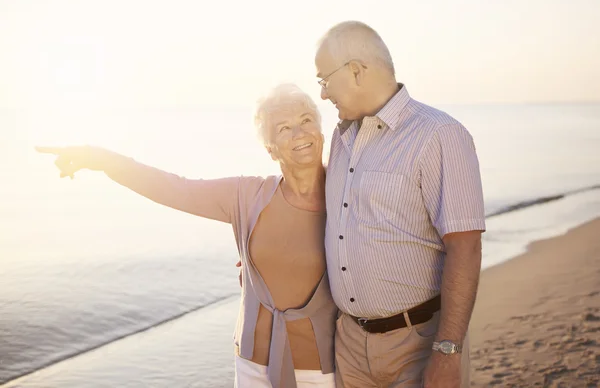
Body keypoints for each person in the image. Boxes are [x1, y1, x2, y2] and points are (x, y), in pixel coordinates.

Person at [36, 83, 338, 388]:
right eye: (284, 128)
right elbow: (174, 188)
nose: (299, 133)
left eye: (306, 120)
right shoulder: (246, 196)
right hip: (252, 365)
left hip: (319, 370)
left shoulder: (347, 200)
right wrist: (99, 158)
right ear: (270, 148)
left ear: (321, 132)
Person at [314, 21, 486, 388]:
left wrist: (448, 349)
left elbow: (466, 247)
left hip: (418, 344)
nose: (324, 95)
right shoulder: (340, 138)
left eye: (323, 81)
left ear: (356, 71)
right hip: (348, 344)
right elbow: (335, 223)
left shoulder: (439, 135)